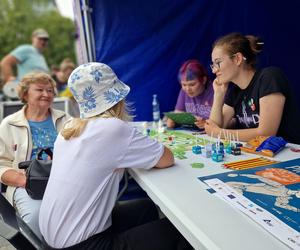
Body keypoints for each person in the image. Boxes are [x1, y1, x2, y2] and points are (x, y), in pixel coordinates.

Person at [39, 62, 193, 250]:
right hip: (83, 244)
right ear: (116, 98)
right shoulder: (112, 128)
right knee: (181, 232)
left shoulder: (69, 127)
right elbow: (167, 158)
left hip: (52, 238)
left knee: (147, 208)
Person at [0, 72, 68, 239]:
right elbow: (1, 164)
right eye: (39, 89)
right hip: (26, 184)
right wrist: (22, 180)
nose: (46, 94)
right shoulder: (9, 124)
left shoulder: (65, 119)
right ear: (25, 94)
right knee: (37, 217)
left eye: (50, 90)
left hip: (63, 181)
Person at [205, 32, 300, 143]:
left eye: (218, 63)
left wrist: (219, 132)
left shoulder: (269, 77)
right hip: (261, 155)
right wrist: (218, 95)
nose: (214, 70)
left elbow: (266, 134)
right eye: (213, 64)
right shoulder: (234, 91)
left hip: (291, 155)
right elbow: (214, 127)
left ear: (237, 59)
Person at [166, 59, 214, 129]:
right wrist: (172, 121)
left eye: (192, 84)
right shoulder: (184, 90)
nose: (187, 89)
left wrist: (208, 123)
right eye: (184, 84)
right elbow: (178, 113)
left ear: (204, 80)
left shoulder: (215, 90)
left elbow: (225, 121)